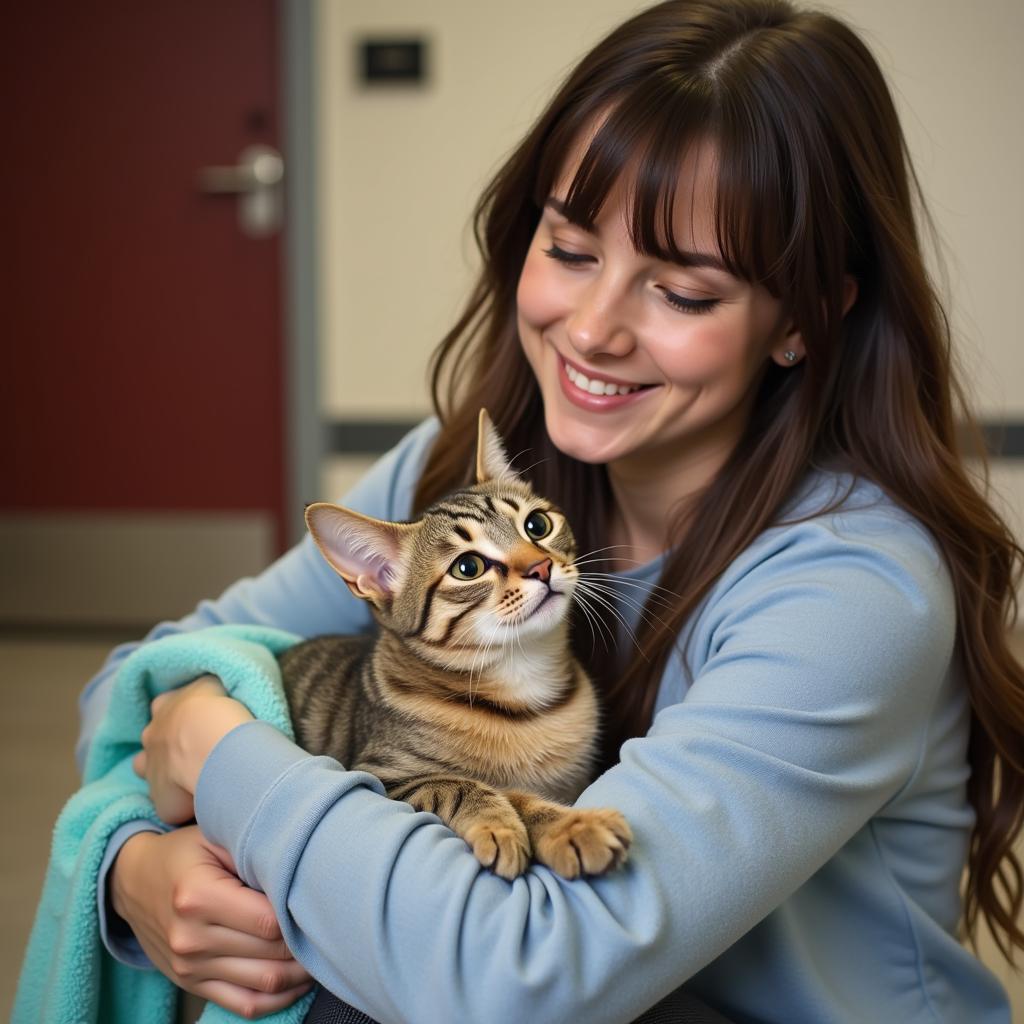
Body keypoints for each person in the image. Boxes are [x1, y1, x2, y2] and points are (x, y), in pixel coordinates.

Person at [79, 1, 1024, 1021]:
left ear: (800, 318)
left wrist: (220, 761)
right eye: (569, 249)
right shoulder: (458, 489)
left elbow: (513, 978)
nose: (590, 328)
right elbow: (143, 679)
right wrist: (134, 869)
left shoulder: (853, 587)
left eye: (684, 294)